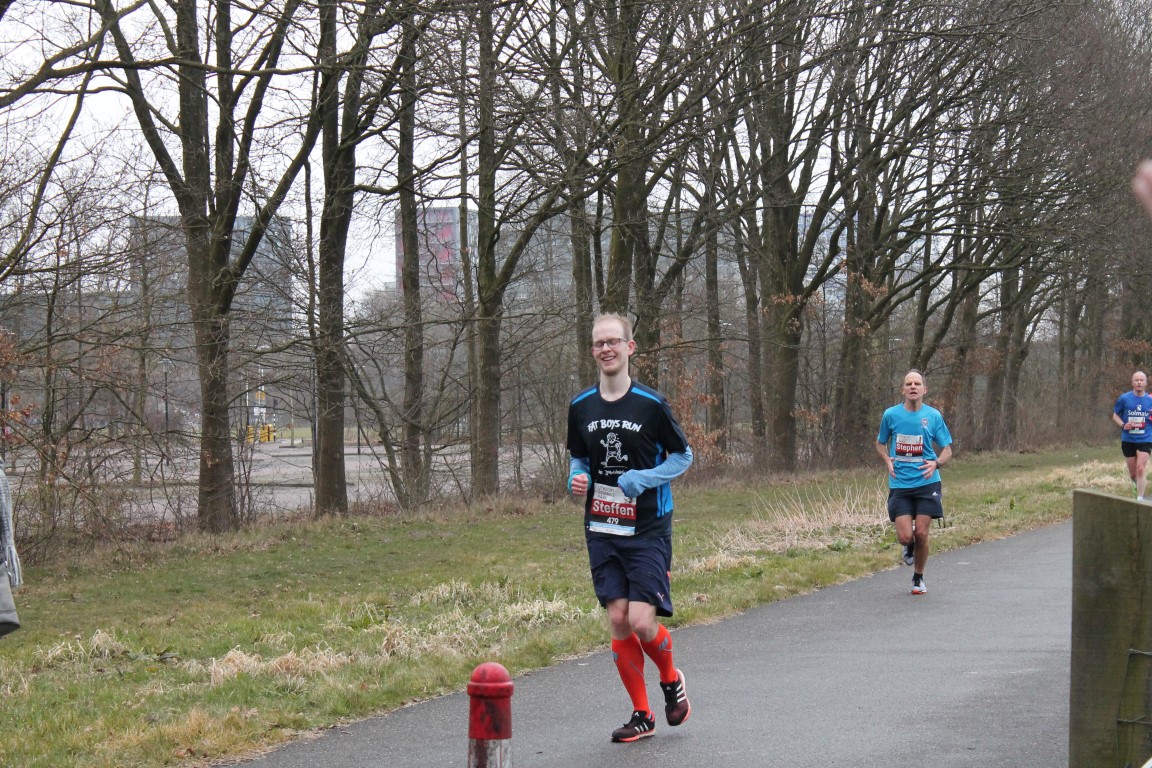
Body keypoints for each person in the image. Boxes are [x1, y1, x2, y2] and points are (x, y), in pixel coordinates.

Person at [567, 313, 694, 743]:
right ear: (593, 350)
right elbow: (579, 457)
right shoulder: (581, 405)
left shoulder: (651, 404)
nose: (606, 349)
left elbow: (683, 456)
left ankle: (671, 679)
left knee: (642, 621)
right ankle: (642, 714)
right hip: (602, 526)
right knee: (618, 618)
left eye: (614, 342)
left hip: (648, 527)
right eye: (599, 343)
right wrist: (576, 477)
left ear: (629, 347)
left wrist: (644, 478)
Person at [875, 369, 953, 595]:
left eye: (917, 384)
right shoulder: (891, 415)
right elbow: (880, 443)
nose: (912, 387)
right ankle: (908, 546)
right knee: (905, 537)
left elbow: (947, 449)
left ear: (924, 390)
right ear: (903, 390)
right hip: (900, 483)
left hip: (927, 483)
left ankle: (918, 578)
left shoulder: (934, 416)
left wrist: (936, 463)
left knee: (921, 532)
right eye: (908, 384)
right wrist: (887, 459)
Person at [1112, 371, 1152, 500]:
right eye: (1136, 380)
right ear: (1132, 383)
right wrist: (1123, 425)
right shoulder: (1124, 398)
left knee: (1140, 468)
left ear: (1145, 383)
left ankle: (1140, 500)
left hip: (1145, 438)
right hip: (1128, 439)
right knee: (1133, 473)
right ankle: (1136, 484)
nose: (1139, 382)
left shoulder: (1150, 400)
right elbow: (1115, 416)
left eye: (1141, 380)